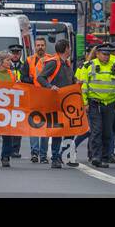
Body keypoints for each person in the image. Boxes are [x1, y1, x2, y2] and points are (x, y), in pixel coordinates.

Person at [77, 42, 115, 168]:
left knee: (107, 132)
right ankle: (96, 156)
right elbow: (84, 86)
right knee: (96, 130)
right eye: (104, 54)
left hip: (110, 104)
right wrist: (85, 103)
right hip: (95, 103)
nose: (107, 56)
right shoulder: (89, 65)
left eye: (108, 54)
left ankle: (105, 157)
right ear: (98, 54)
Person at [35, 38, 75, 168]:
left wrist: (77, 81)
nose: (70, 50)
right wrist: (49, 86)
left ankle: (63, 155)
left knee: (69, 130)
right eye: (69, 48)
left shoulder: (66, 63)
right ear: (66, 49)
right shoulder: (54, 62)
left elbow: (70, 78)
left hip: (67, 102)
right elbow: (40, 77)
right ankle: (55, 157)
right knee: (58, 131)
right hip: (56, 102)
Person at [26, 37, 51, 163]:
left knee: (45, 127)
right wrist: (30, 81)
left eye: (42, 45)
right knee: (34, 126)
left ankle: (43, 154)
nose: (40, 47)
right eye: (38, 45)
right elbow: (23, 77)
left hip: (47, 97)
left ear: (45, 46)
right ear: (34, 47)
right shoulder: (29, 60)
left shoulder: (51, 60)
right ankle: (34, 153)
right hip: (34, 96)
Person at [6, 43, 31, 160]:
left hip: (20, 99)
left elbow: (29, 80)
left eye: (17, 53)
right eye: (13, 53)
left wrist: (23, 80)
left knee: (18, 124)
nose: (15, 55)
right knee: (7, 125)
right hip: (7, 99)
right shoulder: (5, 66)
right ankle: (8, 149)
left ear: (20, 54)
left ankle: (15, 150)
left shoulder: (24, 66)